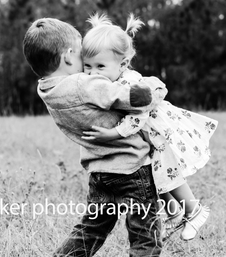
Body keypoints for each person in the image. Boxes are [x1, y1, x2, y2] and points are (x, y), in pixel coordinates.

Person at [22, 17, 168, 257]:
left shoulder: (47, 88)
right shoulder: (83, 84)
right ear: (67, 58)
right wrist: (155, 85)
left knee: (90, 231)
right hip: (131, 168)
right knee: (145, 236)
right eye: (81, 54)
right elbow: (136, 97)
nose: (88, 60)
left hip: (99, 171)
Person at [80, 13, 218, 241]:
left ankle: (195, 210)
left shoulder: (128, 83)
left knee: (168, 172)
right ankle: (174, 214)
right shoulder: (110, 79)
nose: (93, 73)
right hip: (148, 136)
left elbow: (138, 114)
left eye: (100, 66)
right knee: (154, 174)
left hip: (156, 132)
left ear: (122, 64)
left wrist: (114, 134)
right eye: (88, 66)